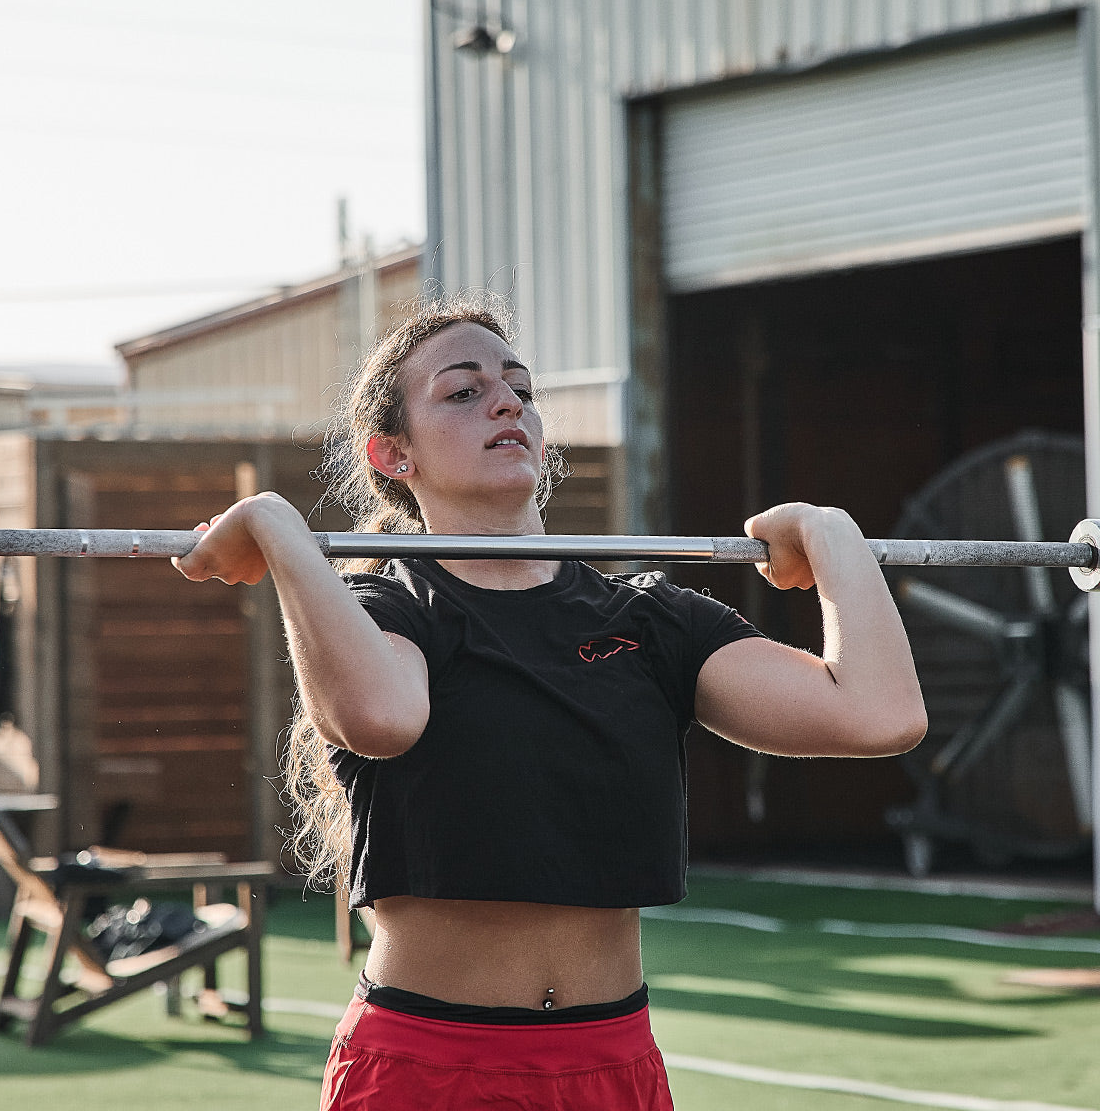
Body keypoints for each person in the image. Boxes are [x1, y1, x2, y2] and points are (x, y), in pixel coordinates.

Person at [173, 294, 927, 1110]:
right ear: (393, 454)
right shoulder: (386, 613)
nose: (508, 402)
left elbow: (880, 716)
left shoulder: (652, 619)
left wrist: (831, 533)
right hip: (428, 1066)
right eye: (463, 392)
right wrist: (279, 528)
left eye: (521, 389)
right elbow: (381, 721)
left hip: (612, 1063)